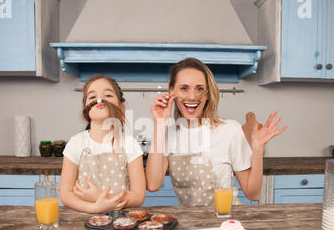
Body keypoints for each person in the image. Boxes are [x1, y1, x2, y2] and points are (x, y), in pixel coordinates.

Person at [146, 57, 286, 206]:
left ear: (207, 94)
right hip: (190, 224)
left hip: (226, 222)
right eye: (184, 88)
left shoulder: (230, 129)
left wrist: (257, 148)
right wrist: (160, 124)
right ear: (172, 91)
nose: (192, 96)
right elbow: (153, 185)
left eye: (199, 88)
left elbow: (253, 193)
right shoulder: (168, 135)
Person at [60, 75, 146, 213]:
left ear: (121, 106)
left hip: (119, 219)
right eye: (92, 97)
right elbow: (66, 194)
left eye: (108, 95)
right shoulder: (76, 143)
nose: (100, 99)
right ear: (85, 109)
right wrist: (94, 207)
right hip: (83, 218)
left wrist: (99, 197)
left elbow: (138, 196)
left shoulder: (130, 144)